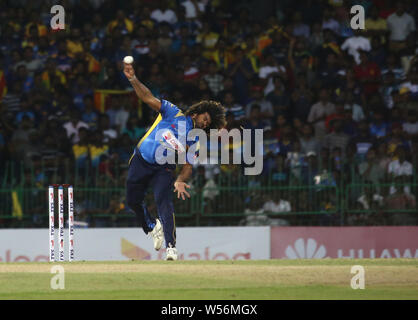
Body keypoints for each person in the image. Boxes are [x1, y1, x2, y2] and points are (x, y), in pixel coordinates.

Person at [123, 61, 226, 261]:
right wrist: (133, 79)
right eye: (206, 118)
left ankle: (171, 247)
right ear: (196, 112)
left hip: (164, 167)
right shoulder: (173, 112)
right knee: (132, 200)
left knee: (164, 201)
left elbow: (188, 166)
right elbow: (147, 97)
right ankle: (152, 227)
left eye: (208, 124)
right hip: (141, 159)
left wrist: (180, 180)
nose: (206, 123)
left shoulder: (196, 139)